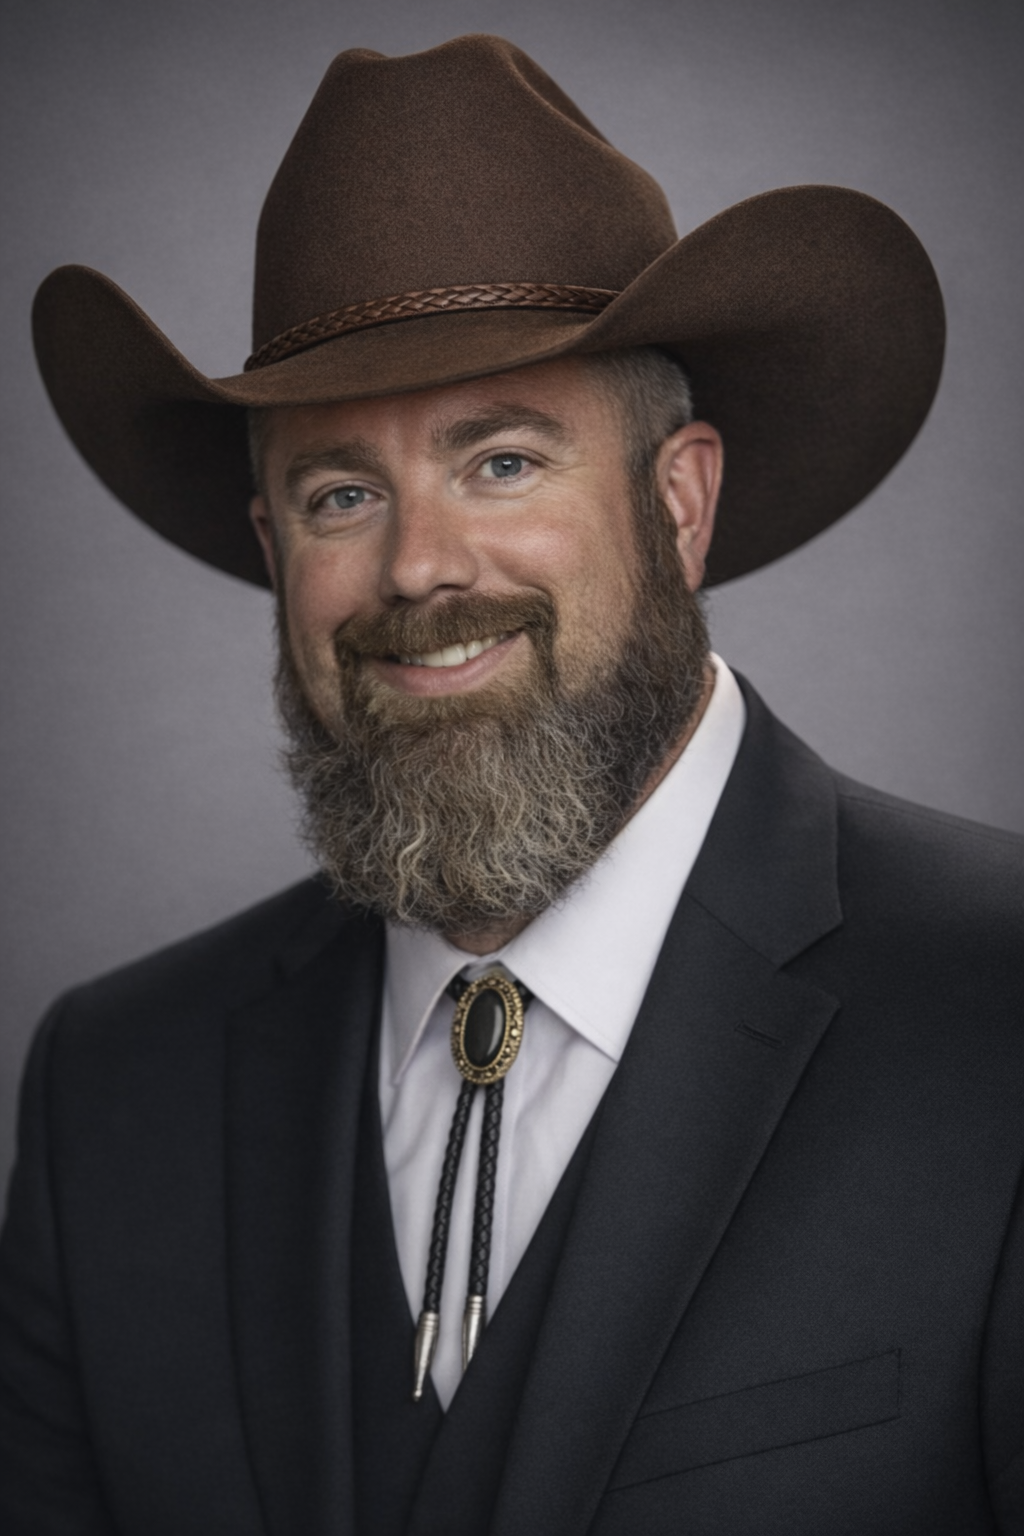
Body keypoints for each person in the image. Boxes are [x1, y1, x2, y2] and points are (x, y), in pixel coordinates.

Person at [1, 32, 1021, 1536]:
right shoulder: (114, 1089)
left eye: (501, 462)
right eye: (343, 493)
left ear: (677, 506)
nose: (419, 567)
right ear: (278, 553)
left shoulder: (1000, 1010)